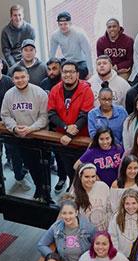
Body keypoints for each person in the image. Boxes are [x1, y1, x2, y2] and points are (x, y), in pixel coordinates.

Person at [0, 66, 49, 200]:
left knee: (43, 167)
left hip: (39, 136)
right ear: (12, 79)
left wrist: (31, 128)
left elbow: (44, 117)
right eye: (17, 78)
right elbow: (4, 115)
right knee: (31, 165)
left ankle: (46, 194)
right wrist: (14, 127)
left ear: (28, 77)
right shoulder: (9, 94)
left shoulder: (39, 93)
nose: (20, 80)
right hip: (20, 136)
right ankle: (38, 189)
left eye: (23, 77)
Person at [47, 61, 94, 192]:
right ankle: (72, 189)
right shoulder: (55, 90)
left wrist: (72, 132)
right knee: (69, 170)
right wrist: (66, 128)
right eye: (65, 72)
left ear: (77, 74)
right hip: (63, 139)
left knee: (83, 173)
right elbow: (51, 113)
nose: (68, 75)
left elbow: (85, 114)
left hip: (82, 140)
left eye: (71, 72)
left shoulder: (86, 90)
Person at [37, 195, 96, 261]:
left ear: (76, 213)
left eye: (70, 213)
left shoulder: (88, 228)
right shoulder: (56, 227)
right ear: (61, 213)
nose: (67, 217)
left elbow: (97, 246)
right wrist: (54, 258)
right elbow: (41, 244)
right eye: (64, 213)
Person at [49, 11, 93, 80]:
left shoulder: (79, 33)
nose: (63, 27)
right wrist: (51, 71)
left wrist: (90, 72)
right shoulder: (55, 35)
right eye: (60, 24)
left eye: (65, 24)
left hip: (80, 61)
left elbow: (88, 52)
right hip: (66, 60)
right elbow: (52, 54)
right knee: (56, 74)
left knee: (77, 74)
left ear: (70, 23)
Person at [71, 163, 111, 230]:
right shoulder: (74, 194)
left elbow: (110, 209)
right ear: (80, 177)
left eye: (93, 176)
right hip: (85, 232)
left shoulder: (103, 187)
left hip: (104, 231)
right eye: (87, 177)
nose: (90, 180)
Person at [108, 189, 138, 257]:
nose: (130, 207)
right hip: (122, 256)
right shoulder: (116, 217)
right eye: (127, 203)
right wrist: (117, 255)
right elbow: (112, 237)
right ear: (123, 204)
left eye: (134, 203)